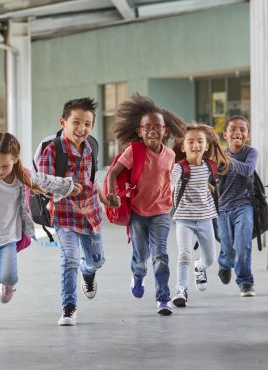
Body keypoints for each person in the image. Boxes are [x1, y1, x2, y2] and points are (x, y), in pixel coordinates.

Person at [0, 132, 80, 330]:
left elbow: (47, 181)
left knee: (9, 276)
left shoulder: (23, 177)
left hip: (8, 238)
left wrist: (69, 186)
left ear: (15, 160)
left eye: (5, 166)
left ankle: (8, 285)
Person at [36, 97, 115, 326]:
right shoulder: (52, 150)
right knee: (69, 259)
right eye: (76, 123)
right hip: (64, 213)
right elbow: (42, 182)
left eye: (87, 124)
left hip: (90, 212)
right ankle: (68, 308)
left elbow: (92, 180)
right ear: (63, 122)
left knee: (97, 261)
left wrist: (106, 200)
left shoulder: (91, 146)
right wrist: (67, 187)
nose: (82, 129)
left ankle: (88, 271)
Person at [106, 93, 185, 316]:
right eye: (147, 126)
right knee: (140, 256)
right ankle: (137, 275)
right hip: (138, 212)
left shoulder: (170, 155)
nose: (152, 130)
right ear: (140, 131)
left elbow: (171, 181)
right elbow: (113, 173)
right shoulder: (134, 151)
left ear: (165, 130)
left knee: (160, 255)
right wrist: (112, 194)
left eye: (157, 126)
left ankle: (163, 298)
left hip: (161, 212)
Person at [170, 123, 229, 307]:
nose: (195, 145)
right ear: (183, 147)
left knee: (210, 259)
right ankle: (181, 290)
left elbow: (212, 185)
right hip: (184, 219)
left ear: (206, 146)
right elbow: (171, 181)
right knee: (184, 254)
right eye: (190, 142)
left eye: (200, 141)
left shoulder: (210, 166)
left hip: (205, 218)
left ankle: (200, 267)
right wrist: (169, 189)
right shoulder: (180, 168)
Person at [216, 115, 259, 297]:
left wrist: (228, 160)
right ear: (225, 134)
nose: (237, 132)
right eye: (233, 129)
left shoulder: (251, 153)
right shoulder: (218, 155)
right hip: (222, 208)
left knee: (242, 245)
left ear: (247, 135)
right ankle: (225, 263)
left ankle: (245, 282)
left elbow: (248, 170)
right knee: (227, 246)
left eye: (242, 129)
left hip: (244, 205)